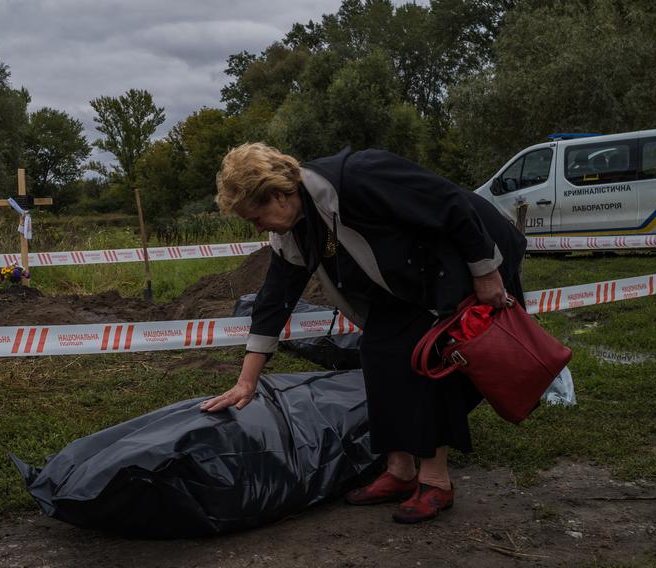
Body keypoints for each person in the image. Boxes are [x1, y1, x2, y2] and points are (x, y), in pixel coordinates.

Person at [200, 143, 526, 524]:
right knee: (377, 351)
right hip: (405, 280)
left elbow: (452, 203)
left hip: (460, 255)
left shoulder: (359, 177)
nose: (257, 228)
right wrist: (246, 382)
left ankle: (436, 481)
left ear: (278, 194)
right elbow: (275, 299)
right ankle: (400, 472)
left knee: (423, 356)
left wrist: (486, 272)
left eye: (256, 218)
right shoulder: (294, 228)